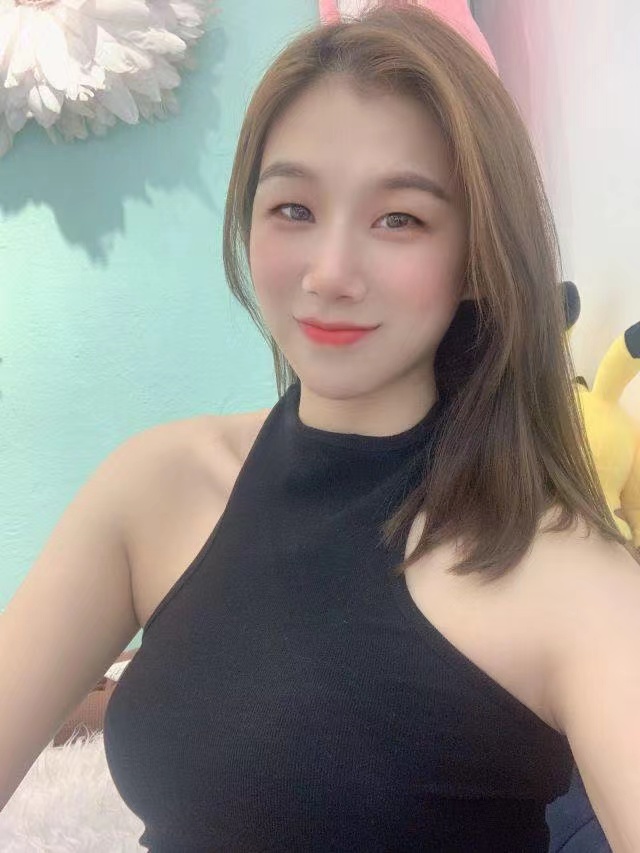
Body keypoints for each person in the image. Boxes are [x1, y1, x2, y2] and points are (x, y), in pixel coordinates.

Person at [1, 2, 639, 850]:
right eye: (294, 208)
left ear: (479, 255)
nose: (330, 273)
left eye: (400, 218)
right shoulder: (156, 485)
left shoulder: (564, 572)